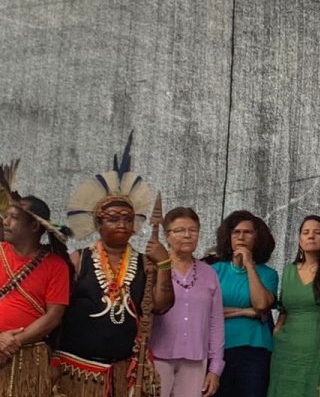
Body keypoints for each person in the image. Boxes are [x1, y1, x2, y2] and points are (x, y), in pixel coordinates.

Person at [56, 135, 175, 397]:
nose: (122, 224)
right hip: (77, 370)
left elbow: (161, 306)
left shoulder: (145, 263)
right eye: (113, 219)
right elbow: (56, 309)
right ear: (98, 224)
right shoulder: (79, 259)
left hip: (123, 371)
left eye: (128, 219)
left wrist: (165, 263)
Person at [0, 162, 72, 397]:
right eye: (5, 216)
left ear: (34, 226)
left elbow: (53, 317)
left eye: (13, 218)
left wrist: (11, 342)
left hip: (29, 359)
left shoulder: (56, 265)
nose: (5, 222)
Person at [149, 207, 225, 397]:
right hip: (156, 356)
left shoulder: (209, 273)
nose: (187, 235)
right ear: (167, 235)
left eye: (193, 230)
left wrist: (215, 368)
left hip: (195, 359)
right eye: (179, 230)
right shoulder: (153, 268)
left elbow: (216, 322)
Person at [211, 211, 278, 397]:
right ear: (228, 237)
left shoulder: (268, 274)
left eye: (247, 232)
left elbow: (261, 305)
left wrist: (249, 264)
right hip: (219, 350)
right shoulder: (214, 271)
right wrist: (244, 312)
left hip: (254, 352)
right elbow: (207, 312)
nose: (241, 237)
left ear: (257, 238)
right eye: (236, 232)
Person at [268, 215, 320, 397]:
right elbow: (283, 309)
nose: (311, 236)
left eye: (317, 232)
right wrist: (277, 331)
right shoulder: (288, 270)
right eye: (306, 232)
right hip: (285, 346)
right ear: (299, 239)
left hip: (316, 343)